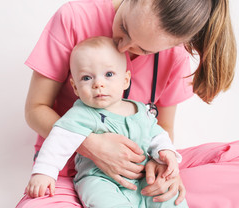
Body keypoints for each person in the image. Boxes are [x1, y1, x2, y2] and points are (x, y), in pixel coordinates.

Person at [17, 0, 239, 207]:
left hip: (139, 178)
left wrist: (163, 166)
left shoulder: (175, 57)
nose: (123, 48)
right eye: (124, 28)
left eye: (143, 49)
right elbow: (35, 109)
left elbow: (163, 128)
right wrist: (93, 146)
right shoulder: (73, 18)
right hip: (68, 171)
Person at [25, 37, 188, 208]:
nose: (98, 84)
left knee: (170, 196)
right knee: (103, 199)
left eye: (109, 75)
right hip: (98, 178)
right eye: (87, 78)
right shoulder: (81, 114)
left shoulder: (140, 111)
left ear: (125, 80)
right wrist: (44, 172)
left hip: (140, 178)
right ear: (75, 87)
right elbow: (58, 141)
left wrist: (166, 152)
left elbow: (157, 134)